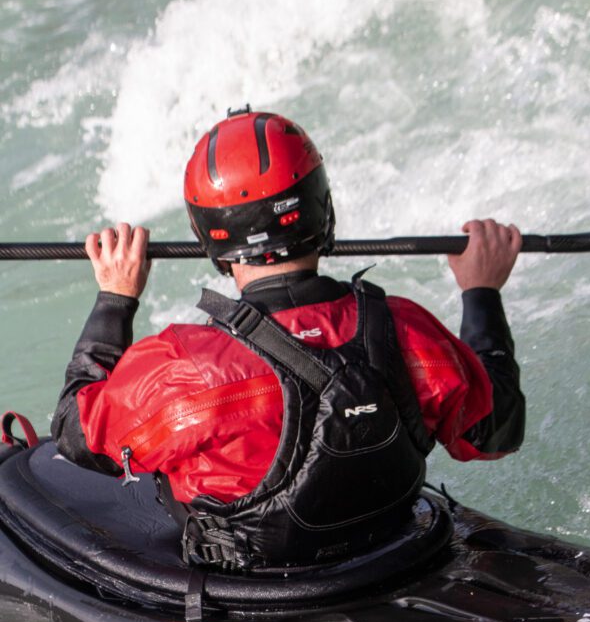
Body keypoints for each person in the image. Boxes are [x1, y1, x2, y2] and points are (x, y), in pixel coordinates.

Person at [52, 108, 524, 572]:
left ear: (205, 237)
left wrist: (116, 298)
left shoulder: (184, 365)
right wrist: (481, 292)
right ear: (324, 209)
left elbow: (77, 433)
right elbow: (496, 433)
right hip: (390, 551)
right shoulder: (407, 328)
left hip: (256, 586)